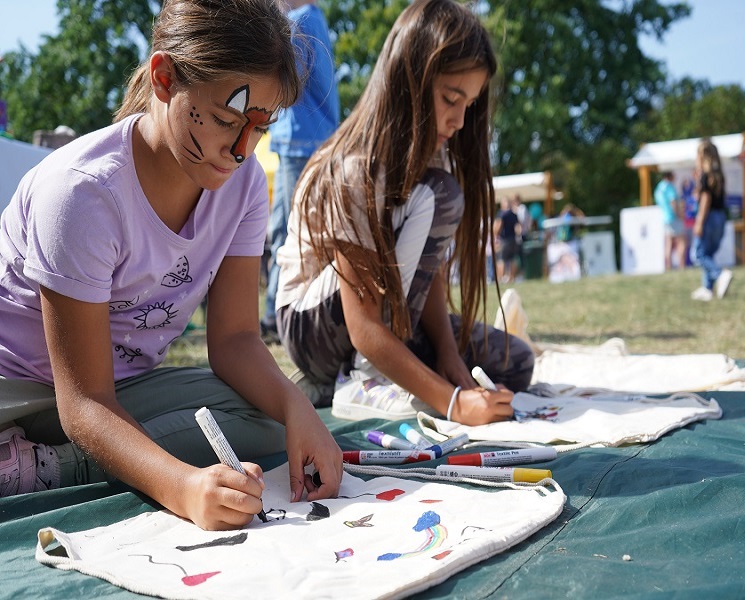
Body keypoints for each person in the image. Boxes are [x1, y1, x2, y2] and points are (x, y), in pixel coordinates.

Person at [0, 0, 342, 530]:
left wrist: (298, 410)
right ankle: (43, 468)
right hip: (22, 395)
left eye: (261, 127)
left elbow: (235, 341)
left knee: (272, 419)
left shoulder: (244, 184)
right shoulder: (82, 193)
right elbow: (83, 403)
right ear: (164, 79)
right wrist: (181, 487)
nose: (240, 150)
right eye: (226, 120)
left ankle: (63, 460)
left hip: (118, 392)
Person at [275, 0, 534, 426]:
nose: (460, 120)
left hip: (385, 313)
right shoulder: (356, 167)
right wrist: (453, 404)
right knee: (442, 196)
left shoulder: (434, 155)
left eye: (469, 104)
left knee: (517, 362)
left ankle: (378, 370)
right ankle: (364, 379)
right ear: (408, 80)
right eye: (451, 99)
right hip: (315, 329)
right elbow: (363, 325)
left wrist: (449, 356)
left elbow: (425, 273)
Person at [260, 0, 340, 343]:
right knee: (284, 229)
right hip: (304, 139)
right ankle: (275, 313)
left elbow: (281, 81)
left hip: (301, 141)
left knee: (293, 233)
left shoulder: (299, 20)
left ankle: (284, 313)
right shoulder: (313, 18)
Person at [691, 138, 732, 301]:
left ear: (702, 156)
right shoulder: (718, 175)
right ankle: (707, 288)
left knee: (698, 255)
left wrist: (699, 222)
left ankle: (720, 274)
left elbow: (706, 199)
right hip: (720, 216)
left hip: (708, 217)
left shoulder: (705, 175)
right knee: (709, 253)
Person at [654, 171, 686, 270]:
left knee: (668, 242)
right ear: (669, 176)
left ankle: (668, 266)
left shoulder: (659, 188)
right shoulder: (669, 187)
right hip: (673, 217)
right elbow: (673, 202)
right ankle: (681, 265)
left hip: (664, 218)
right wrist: (678, 214)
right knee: (681, 240)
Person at [494, 197, 521, 283]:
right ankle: (512, 278)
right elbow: (518, 227)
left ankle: (500, 279)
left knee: (501, 259)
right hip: (513, 239)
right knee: (512, 259)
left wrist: (495, 236)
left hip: (504, 240)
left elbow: (499, 225)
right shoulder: (514, 214)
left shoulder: (502, 214)